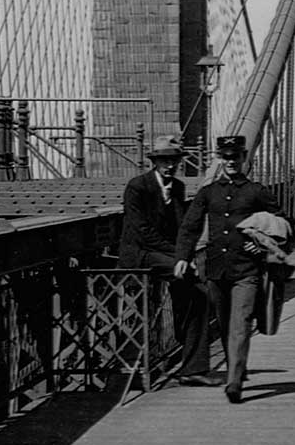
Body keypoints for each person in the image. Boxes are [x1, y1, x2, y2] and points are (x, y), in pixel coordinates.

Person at [174, 134, 284, 404]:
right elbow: (190, 227)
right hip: (216, 270)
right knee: (224, 325)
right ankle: (238, 365)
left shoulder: (256, 191)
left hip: (247, 270)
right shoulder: (208, 192)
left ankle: (234, 382)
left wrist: (263, 247)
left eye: (235, 156)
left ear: (244, 158)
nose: (230, 161)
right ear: (219, 159)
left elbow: (281, 223)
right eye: (225, 156)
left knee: (240, 324)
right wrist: (182, 257)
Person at [116, 135, 218, 386]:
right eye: (164, 160)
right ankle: (188, 360)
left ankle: (191, 365)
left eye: (173, 160)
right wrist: (179, 257)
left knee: (198, 293)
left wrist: (183, 255)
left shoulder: (179, 188)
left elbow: (183, 227)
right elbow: (142, 232)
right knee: (191, 281)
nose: (169, 165)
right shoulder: (137, 186)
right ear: (155, 162)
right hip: (140, 255)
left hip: (164, 255)